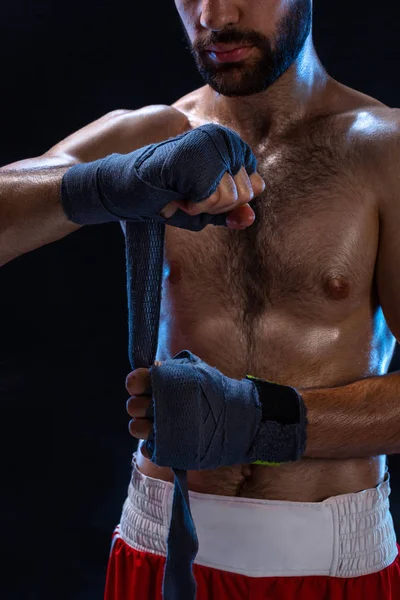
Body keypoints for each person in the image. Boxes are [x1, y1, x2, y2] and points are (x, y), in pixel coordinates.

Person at [1, 0, 400, 598]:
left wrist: (258, 422)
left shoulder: (384, 150)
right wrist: (110, 182)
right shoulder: (152, 137)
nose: (214, 13)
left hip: (331, 560)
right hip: (159, 547)